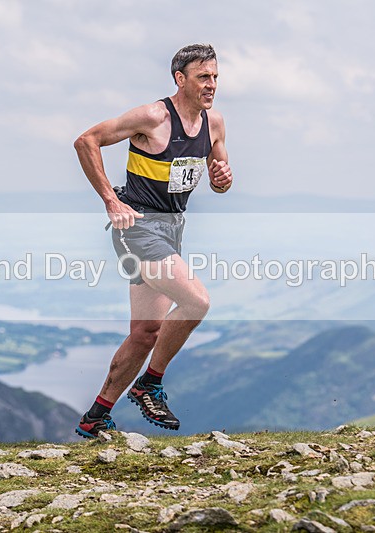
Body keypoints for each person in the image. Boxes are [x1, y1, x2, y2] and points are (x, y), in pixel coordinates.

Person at [73, 43, 233, 438]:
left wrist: (221, 180)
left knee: (146, 332)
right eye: (202, 77)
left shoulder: (214, 124)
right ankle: (150, 384)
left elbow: (220, 174)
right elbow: (86, 141)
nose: (211, 84)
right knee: (197, 301)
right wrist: (111, 200)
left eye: (214, 76)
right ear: (180, 79)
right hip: (138, 227)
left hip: (173, 228)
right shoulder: (153, 116)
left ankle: (96, 415)